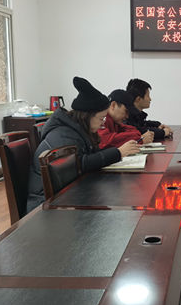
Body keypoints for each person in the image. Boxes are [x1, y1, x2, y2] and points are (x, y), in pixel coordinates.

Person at [26, 77, 140, 211]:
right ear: (87, 116)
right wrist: (118, 153)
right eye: (101, 118)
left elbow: (91, 156)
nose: (103, 122)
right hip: (46, 205)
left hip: (66, 195)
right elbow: (79, 164)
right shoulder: (64, 134)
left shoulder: (79, 130)